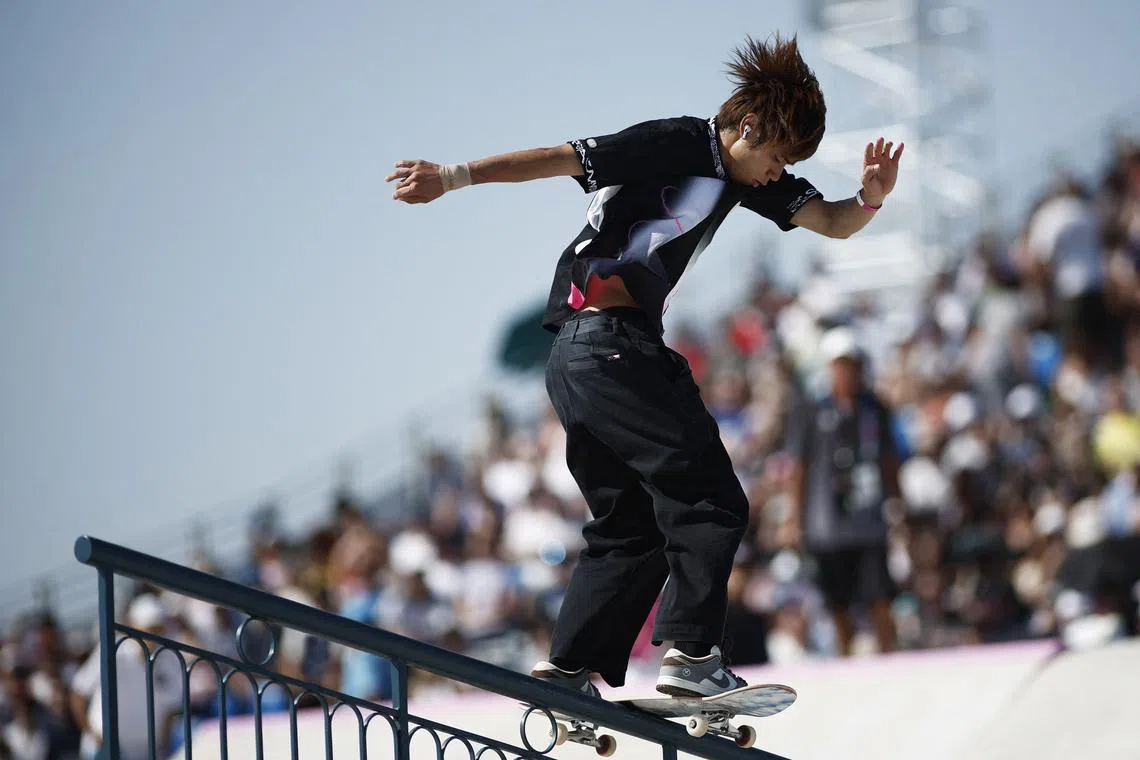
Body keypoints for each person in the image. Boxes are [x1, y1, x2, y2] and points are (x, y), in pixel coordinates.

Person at [388, 34, 904, 697]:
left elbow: (832, 222)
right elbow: (560, 158)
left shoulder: (748, 180)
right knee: (712, 500)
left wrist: (870, 198)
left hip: (575, 363)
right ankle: (693, 655)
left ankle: (568, 670)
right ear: (749, 126)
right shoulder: (675, 142)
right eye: (777, 158)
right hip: (612, 345)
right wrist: (453, 176)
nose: (777, 174)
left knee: (631, 527)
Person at [785, 327, 900, 656]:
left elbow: (889, 460)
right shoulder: (812, 411)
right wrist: (795, 518)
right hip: (827, 523)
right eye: (841, 365)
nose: (848, 373)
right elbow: (799, 466)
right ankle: (845, 658)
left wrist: (896, 503)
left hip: (869, 520)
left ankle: (889, 656)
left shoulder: (875, 409)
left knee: (880, 594)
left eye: (853, 365)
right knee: (837, 599)